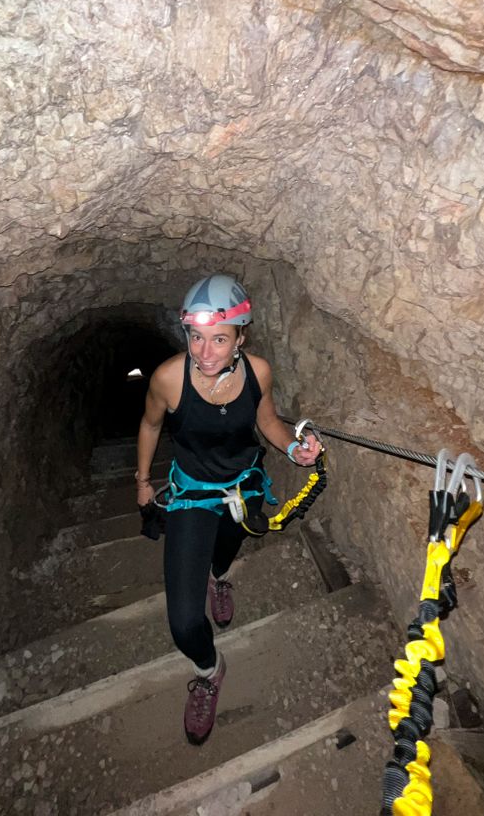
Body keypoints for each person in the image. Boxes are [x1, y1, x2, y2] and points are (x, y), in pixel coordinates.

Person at [135, 274, 321, 745]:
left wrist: (293, 448)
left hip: (243, 490)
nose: (204, 351)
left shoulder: (257, 372)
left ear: (241, 337)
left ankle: (219, 576)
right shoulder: (167, 379)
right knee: (183, 622)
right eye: (196, 337)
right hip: (193, 496)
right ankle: (208, 668)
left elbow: (268, 423)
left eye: (219, 339)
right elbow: (150, 424)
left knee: (226, 550)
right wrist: (142, 481)